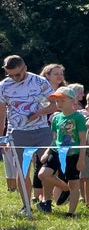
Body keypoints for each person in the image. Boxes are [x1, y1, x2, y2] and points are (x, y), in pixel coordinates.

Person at [0, 55, 55, 210]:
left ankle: (47, 202)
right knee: (22, 169)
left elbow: (54, 105)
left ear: (25, 68)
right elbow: (1, 113)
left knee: (47, 167)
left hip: (42, 131)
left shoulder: (40, 82)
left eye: (17, 74)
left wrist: (38, 113)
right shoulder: (3, 86)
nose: (14, 78)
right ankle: (26, 206)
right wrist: (2, 138)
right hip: (17, 132)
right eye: (10, 74)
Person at [37, 87, 88, 215]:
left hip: (73, 154)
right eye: (57, 101)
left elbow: (83, 140)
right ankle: (65, 190)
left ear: (72, 101)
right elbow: (54, 139)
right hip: (56, 151)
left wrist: (81, 159)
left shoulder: (79, 117)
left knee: (74, 183)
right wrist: (47, 152)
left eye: (62, 100)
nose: (59, 103)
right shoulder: (56, 118)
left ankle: (71, 213)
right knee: (43, 174)